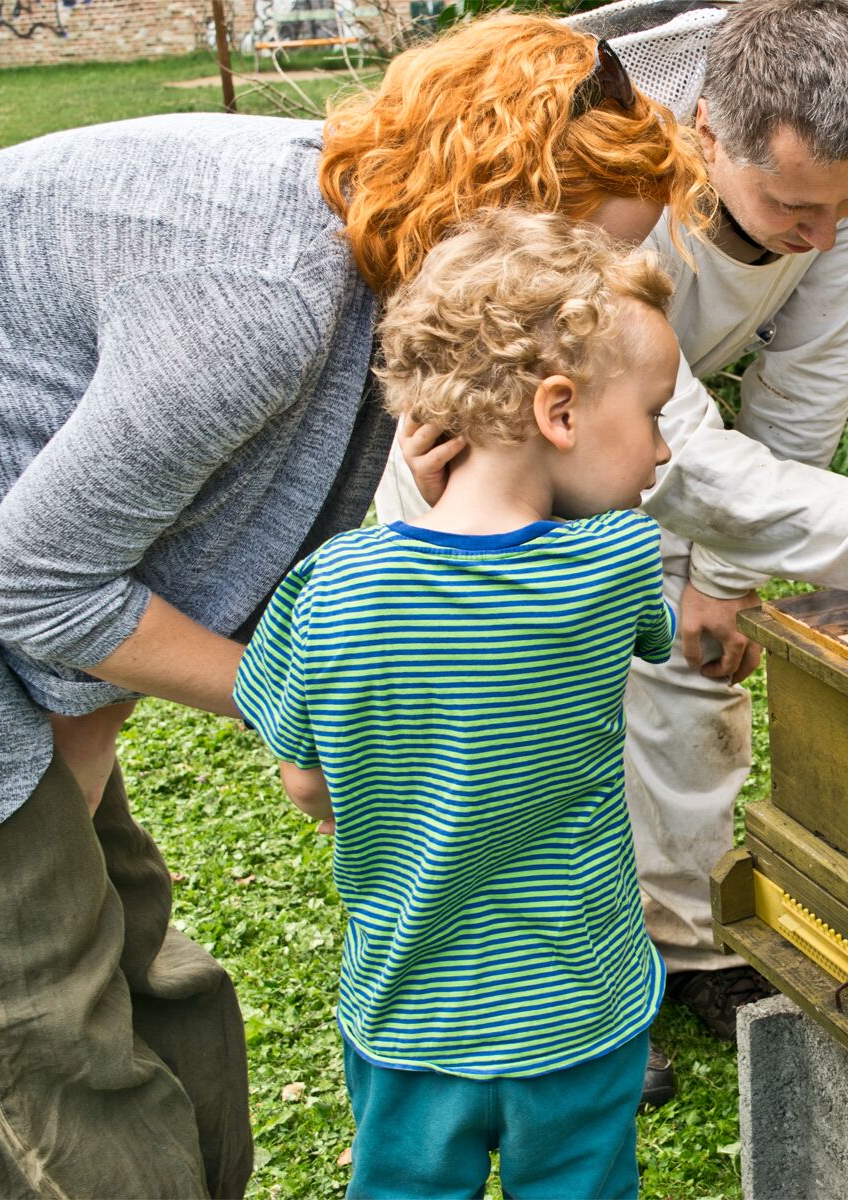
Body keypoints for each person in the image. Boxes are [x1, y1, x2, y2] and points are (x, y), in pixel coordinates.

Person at [0, 14, 705, 1196]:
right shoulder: (263, 294)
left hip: (14, 567)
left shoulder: (384, 287)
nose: (591, 304)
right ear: (502, 229)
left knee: (148, 965)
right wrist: (318, 717)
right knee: (42, 1010)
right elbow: (35, 580)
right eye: (582, 267)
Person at [375, 0, 848, 1104]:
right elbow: (679, 455)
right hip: (508, 414)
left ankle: (693, 945)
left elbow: (812, 366)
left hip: (645, 392)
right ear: (705, 134)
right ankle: (546, 998)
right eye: (797, 207)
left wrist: (727, 581)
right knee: (511, 693)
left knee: (699, 669)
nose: (827, 237)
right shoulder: (600, 153)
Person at [236, 209, 679, 1200]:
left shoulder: (330, 587)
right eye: (652, 414)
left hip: (408, 1019)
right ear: (559, 412)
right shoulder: (616, 566)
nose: (657, 453)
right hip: (578, 1013)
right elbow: (622, 596)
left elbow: (306, 785)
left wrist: (435, 504)